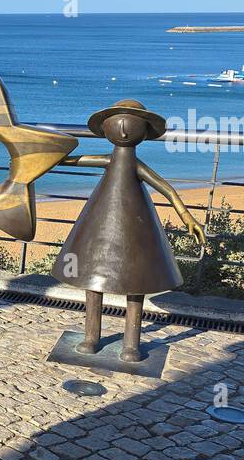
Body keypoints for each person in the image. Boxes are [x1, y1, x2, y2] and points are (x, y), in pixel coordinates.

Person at [52, 100, 205, 363]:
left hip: (137, 228)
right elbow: (73, 160)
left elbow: (166, 188)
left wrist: (187, 216)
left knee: (138, 282)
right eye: (117, 122)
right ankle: (91, 338)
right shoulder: (111, 160)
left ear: (143, 131)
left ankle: (130, 345)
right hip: (99, 225)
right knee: (93, 280)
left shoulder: (135, 165)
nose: (123, 129)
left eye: (130, 123)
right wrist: (45, 155)